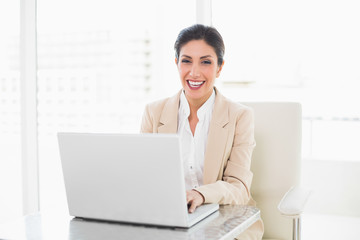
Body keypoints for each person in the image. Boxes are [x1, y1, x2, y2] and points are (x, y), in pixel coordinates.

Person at [140, 24, 264, 239]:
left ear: (219, 67)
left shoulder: (240, 116)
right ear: (176, 63)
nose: (194, 72)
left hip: (225, 222)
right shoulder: (154, 112)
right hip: (171, 223)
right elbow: (144, 179)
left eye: (206, 62)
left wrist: (200, 194)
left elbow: (239, 188)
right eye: (186, 61)